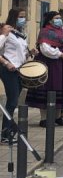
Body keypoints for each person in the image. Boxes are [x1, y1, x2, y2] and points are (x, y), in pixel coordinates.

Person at [26, 11, 63, 127]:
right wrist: (61, 55)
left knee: (60, 87)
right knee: (48, 87)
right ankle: (44, 119)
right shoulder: (45, 32)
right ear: (50, 20)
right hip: (50, 63)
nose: (59, 20)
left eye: (60, 17)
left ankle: (57, 117)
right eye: (56, 18)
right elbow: (45, 49)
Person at [0, 9, 29, 143]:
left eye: (24, 16)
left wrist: (30, 53)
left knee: (14, 101)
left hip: (18, 69)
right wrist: (6, 63)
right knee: (12, 101)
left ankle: (9, 131)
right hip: (8, 69)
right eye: (20, 17)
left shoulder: (20, 33)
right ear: (14, 17)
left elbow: (20, 52)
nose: (23, 19)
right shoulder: (5, 30)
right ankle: (5, 134)